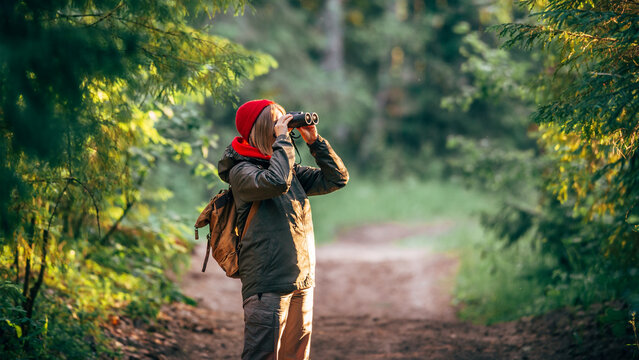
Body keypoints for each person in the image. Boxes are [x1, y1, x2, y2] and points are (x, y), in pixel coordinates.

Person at [217, 99, 349, 359]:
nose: (284, 127)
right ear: (261, 128)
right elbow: (277, 182)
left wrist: (314, 141)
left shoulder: (290, 169)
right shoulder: (242, 172)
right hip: (267, 285)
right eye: (277, 122)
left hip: (302, 280)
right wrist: (283, 141)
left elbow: (337, 178)